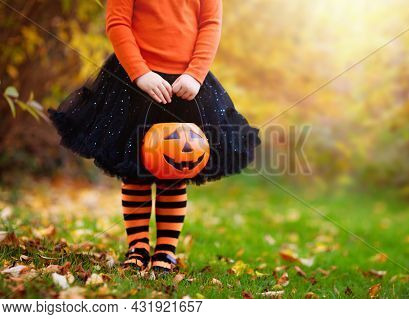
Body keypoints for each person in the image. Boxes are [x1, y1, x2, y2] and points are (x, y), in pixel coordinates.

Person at [49, 0, 260, 274]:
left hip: (185, 86)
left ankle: (165, 251)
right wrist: (140, 73)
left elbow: (210, 24)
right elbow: (118, 23)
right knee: (135, 171)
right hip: (136, 83)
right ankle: (138, 247)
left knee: (175, 169)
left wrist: (195, 75)